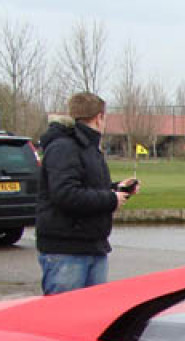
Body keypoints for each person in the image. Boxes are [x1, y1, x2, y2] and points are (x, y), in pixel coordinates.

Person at [35, 92, 139, 295]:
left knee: (94, 320)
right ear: (99, 117)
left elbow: (87, 188)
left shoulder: (88, 148)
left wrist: (117, 188)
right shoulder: (64, 148)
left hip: (92, 245)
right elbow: (65, 194)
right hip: (66, 249)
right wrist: (110, 199)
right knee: (65, 319)